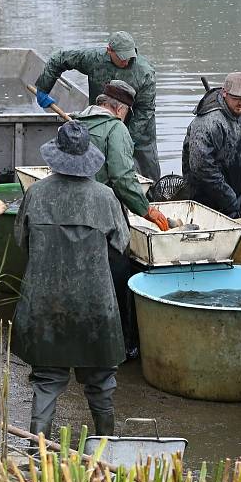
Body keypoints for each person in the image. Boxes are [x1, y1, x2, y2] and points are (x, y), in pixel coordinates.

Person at [13, 120, 129, 439]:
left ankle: (38, 456)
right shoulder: (106, 197)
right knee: (101, 384)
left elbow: (20, 241)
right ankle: (107, 447)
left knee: (46, 382)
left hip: (45, 307)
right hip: (96, 309)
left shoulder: (35, 194)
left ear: (56, 157)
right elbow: (122, 245)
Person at [71, 79, 168, 359]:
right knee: (118, 275)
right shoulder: (116, 130)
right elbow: (124, 178)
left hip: (71, 215)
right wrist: (146, 209)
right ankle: (122, 345)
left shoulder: (74, 124)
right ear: (121, 109)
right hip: (104, 217)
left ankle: (81, 341)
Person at [34, 31, 160, 184]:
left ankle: (151, 196)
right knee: (97, 167)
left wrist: (127, 139)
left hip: (138, 128)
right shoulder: (94, 59)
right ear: (109, 51)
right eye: (121, 58)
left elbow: (145, 111)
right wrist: (43, 88)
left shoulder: (145, 73)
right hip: (99, 121)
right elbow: (59, 58)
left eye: (129, 57)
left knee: (147, 171)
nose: (126, 62)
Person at [182, 72, 241, 218]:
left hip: (235, 190)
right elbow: (200, 167)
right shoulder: (208, 122)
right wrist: (227, 197)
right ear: (224, 93)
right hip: (206, 197)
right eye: (236, 99)